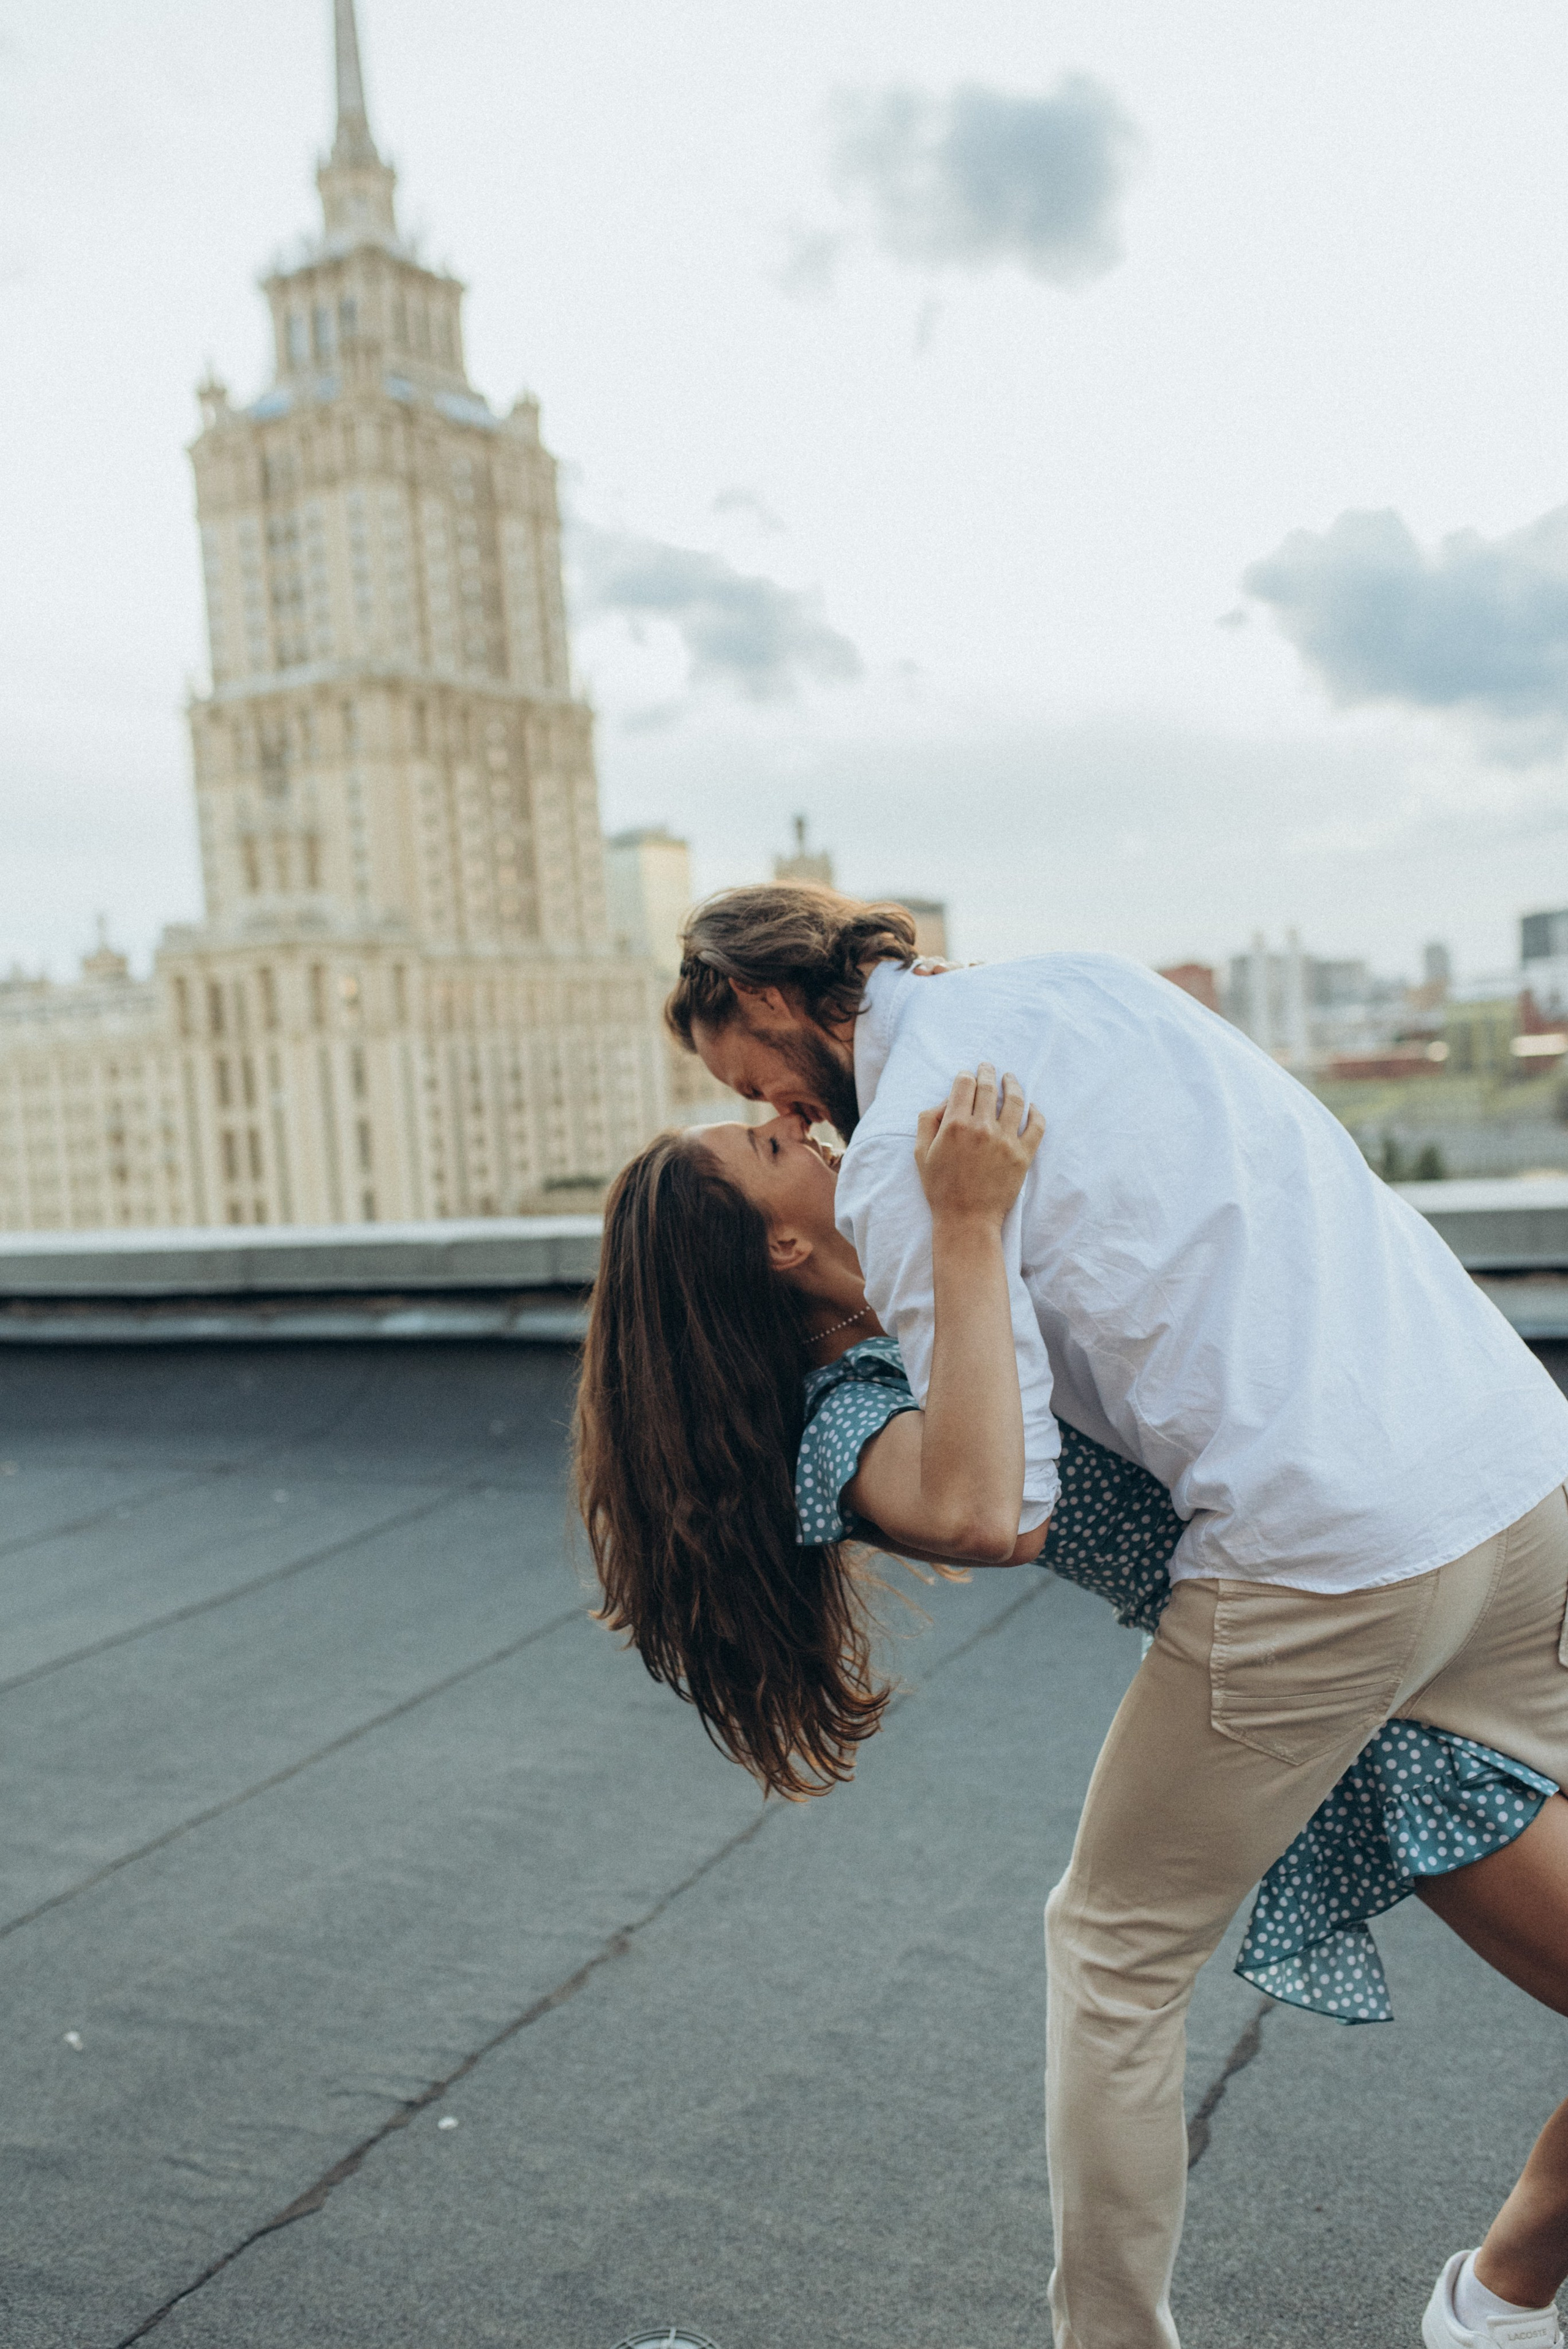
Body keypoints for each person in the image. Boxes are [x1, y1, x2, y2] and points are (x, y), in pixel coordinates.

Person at [655, 882, 1568, 2349]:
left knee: (1112, 1957)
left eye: (747, 1089)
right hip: (1509, 1471)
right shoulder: (1078, 991)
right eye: (762, 1129)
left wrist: (949, 1213)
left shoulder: (911, 1160)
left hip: (1333, 1580)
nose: (783, 1113)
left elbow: (991, 1507)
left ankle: (1276, 2323)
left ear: (764, 1006)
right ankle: (1504, 2296)